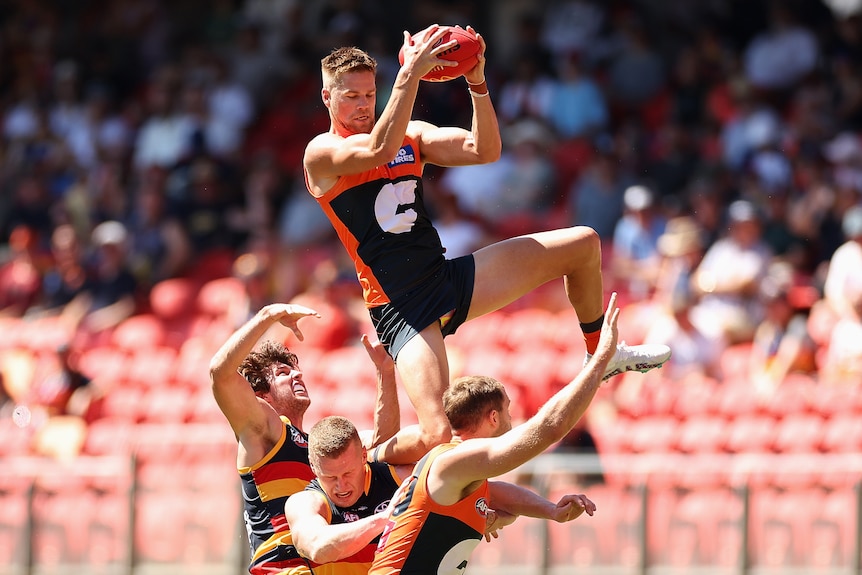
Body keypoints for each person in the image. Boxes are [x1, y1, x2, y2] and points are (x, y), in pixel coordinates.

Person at [303, 25, 671, 464]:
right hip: (399, 305)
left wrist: (476, 81)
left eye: (369, 94)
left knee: (583, 244)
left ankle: (602, 355)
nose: (363, 105)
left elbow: (485, 149)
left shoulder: (410, 133)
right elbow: (378, 150)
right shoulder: (320, 152)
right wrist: (412, 77)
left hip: (444, 277)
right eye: (352, 96)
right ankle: (367, 459)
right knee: (438, 435)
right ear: (328, 98)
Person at [368, 294, 621, 574]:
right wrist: (599, 365)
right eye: (508, 410)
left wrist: (551, 510)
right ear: (493, 417)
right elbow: (549, 428)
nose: (512, 419)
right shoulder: (453, 461)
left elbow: (501, 495)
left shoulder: (460, 470)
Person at [209, 303, 399, 575]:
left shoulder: (321, 449)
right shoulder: (264, 431)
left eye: (295, 370)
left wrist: (385, 372)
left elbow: (384, 447)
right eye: (284, 374)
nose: (297, 374)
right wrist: (268, 316)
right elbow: (220, 375)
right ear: (261, 397)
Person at [286, 416, 597, 575]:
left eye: (348, 473)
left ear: (365, 456)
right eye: (330, 477)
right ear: (314, 470)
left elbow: (489, 491)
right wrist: (384, 519)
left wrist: (551, 510)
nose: (342, 485)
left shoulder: (396, 477)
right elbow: (316, 545)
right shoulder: (305, 502)